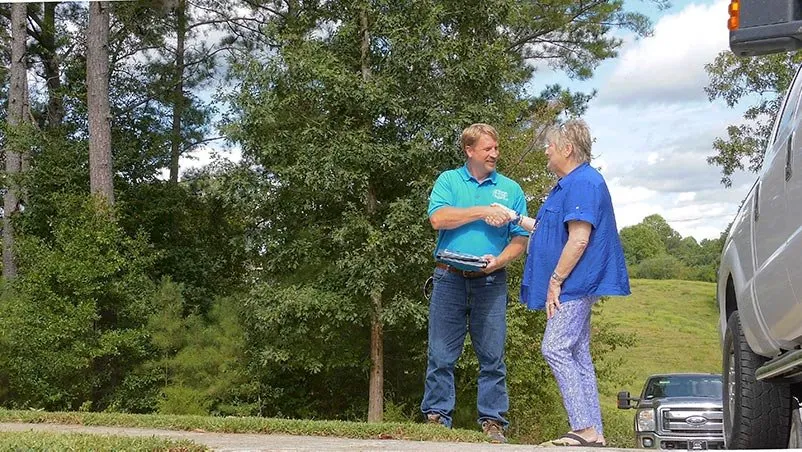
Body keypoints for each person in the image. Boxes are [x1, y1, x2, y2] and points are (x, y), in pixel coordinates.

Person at [491, 119, 630, 447]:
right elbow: (548, 228)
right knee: (578, 352)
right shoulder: (570, 184)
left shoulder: (581, 183)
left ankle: (582, 428)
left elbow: (579, 239)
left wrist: (556, 281)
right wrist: (513, 217)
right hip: (575, 284)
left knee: (554, 348)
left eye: (550, 145)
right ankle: (594, 433)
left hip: (574, 284)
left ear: (567, 149)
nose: (546, 150)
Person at [421, 123, 529, 443]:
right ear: (470, 151)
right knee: (440, 354)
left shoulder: (511, 190)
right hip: (448, 278)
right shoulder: (449, 181)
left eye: (496, 148)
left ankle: (493, 422)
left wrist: (500, 261)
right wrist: (482, 211)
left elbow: (520, 241)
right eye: (487, 148)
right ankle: (437, 417)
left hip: (491, 281)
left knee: (492, 356)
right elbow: (438, 219)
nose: (494, 153)